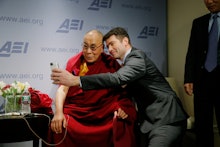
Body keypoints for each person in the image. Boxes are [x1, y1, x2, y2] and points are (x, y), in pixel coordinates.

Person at [51, 27, 188, 147]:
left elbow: (116, 80)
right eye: (107, 46)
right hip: (149, 121)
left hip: (166, 118)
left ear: (125, 41)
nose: (110, 49)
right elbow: (123, 90)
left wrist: (77, 80)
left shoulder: (137, 58)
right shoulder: (121, 64)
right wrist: (58, 112)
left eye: (112, 44)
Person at [49, 29, 137, 147]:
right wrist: (58, 113)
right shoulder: (75, 62)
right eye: (85, 46)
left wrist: (121, 107)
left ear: (102, 48)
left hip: (103, 112)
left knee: (120, 124)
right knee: (61, 125)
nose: (88, 51)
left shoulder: (110, 63)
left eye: (93, 47)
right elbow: (62, 89)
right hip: (78, 112)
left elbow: (122, 93)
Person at [184, 0, 220, 146]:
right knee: (203, 127)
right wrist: (188, 78)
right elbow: (191, 53)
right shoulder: (198, 23)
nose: (209, 2)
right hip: (202, 81)